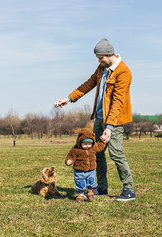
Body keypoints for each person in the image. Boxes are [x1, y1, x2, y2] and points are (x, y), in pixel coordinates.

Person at [57, 38, 136, 201]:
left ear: (109, 54)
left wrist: (110, 127)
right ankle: (101, 187)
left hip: (114, 120)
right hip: (99, 118)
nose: (99, 61)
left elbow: (118, 101)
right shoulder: (102, 68)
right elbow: (88, 84)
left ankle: (129, 189)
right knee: (97, 153)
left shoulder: (123, 72)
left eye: (100, 58)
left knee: (116, 153)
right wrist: (69, 98)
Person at [65, 128, 106, 202]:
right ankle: (80, 195)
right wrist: (69, 160)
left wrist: (103, 141)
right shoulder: (75, 149)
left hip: (91, 170)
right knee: (80, 182)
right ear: (80, 142)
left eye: (89, 144)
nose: (87, 146)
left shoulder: (93, 147)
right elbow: (71, 155)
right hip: (79, 170)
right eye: (85, 144)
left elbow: (100, 146)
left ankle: (90, 192)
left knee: (91, 181)